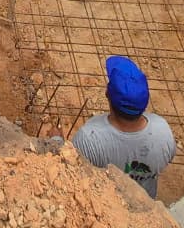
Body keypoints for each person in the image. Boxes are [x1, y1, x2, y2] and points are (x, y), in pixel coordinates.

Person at [72, 56, 176, 199]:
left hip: (107, 202)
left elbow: (73, 173)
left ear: (107, 94)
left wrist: (56, 141)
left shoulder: (89, 138)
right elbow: (168, 159)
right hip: (145, 201)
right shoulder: (163, 131)